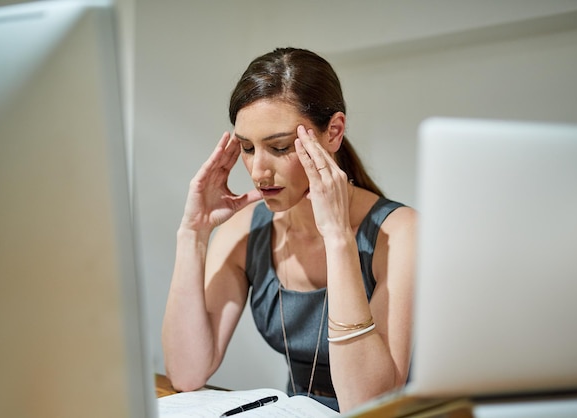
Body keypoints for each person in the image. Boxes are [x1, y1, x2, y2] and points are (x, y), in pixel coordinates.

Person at [162, 47, 416, 412]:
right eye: (248, 148)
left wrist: (338, 238)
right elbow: (186, 373)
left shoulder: (400, 232)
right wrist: (192, 235)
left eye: (279, 147)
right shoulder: (246, 232)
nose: (259, 171)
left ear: (334, 131)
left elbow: (368, 404)